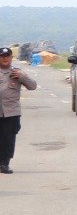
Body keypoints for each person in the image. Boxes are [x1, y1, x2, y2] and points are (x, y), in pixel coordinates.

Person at [0, 46, 38, 174]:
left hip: (12, 112)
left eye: (7, 56)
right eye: (2, 56)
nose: (5, 58)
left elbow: (33, 86)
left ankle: (5, 163)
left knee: (9, 139)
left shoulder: (17, 72)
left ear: (11, 58)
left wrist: (22, 77)